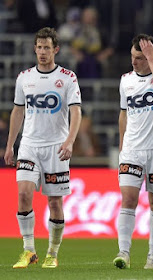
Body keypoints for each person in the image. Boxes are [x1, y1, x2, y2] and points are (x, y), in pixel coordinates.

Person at [4, 27, 82, 269]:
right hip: (29, 144)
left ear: (55, 49)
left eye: (47, 47)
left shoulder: (68, 77)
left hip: (55, 147)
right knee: (24, 193)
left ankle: (52, 252)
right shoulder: (24, 77)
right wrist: (10, 146)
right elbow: (18, 111)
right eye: (39, 47)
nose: (42, 52)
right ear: (35, 49)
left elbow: (76, 111)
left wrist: (69, 141)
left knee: (54, 202)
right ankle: (28, 250)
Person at [113, 34, 153, 270]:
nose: (134, 62)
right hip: (132, 150)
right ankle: (123, 252)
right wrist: (121, 146)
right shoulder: (125, 81)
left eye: (139, 57)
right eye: (133, 56)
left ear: (149, 56)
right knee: (128, 199)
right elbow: (123, 114)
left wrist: (151, 57)